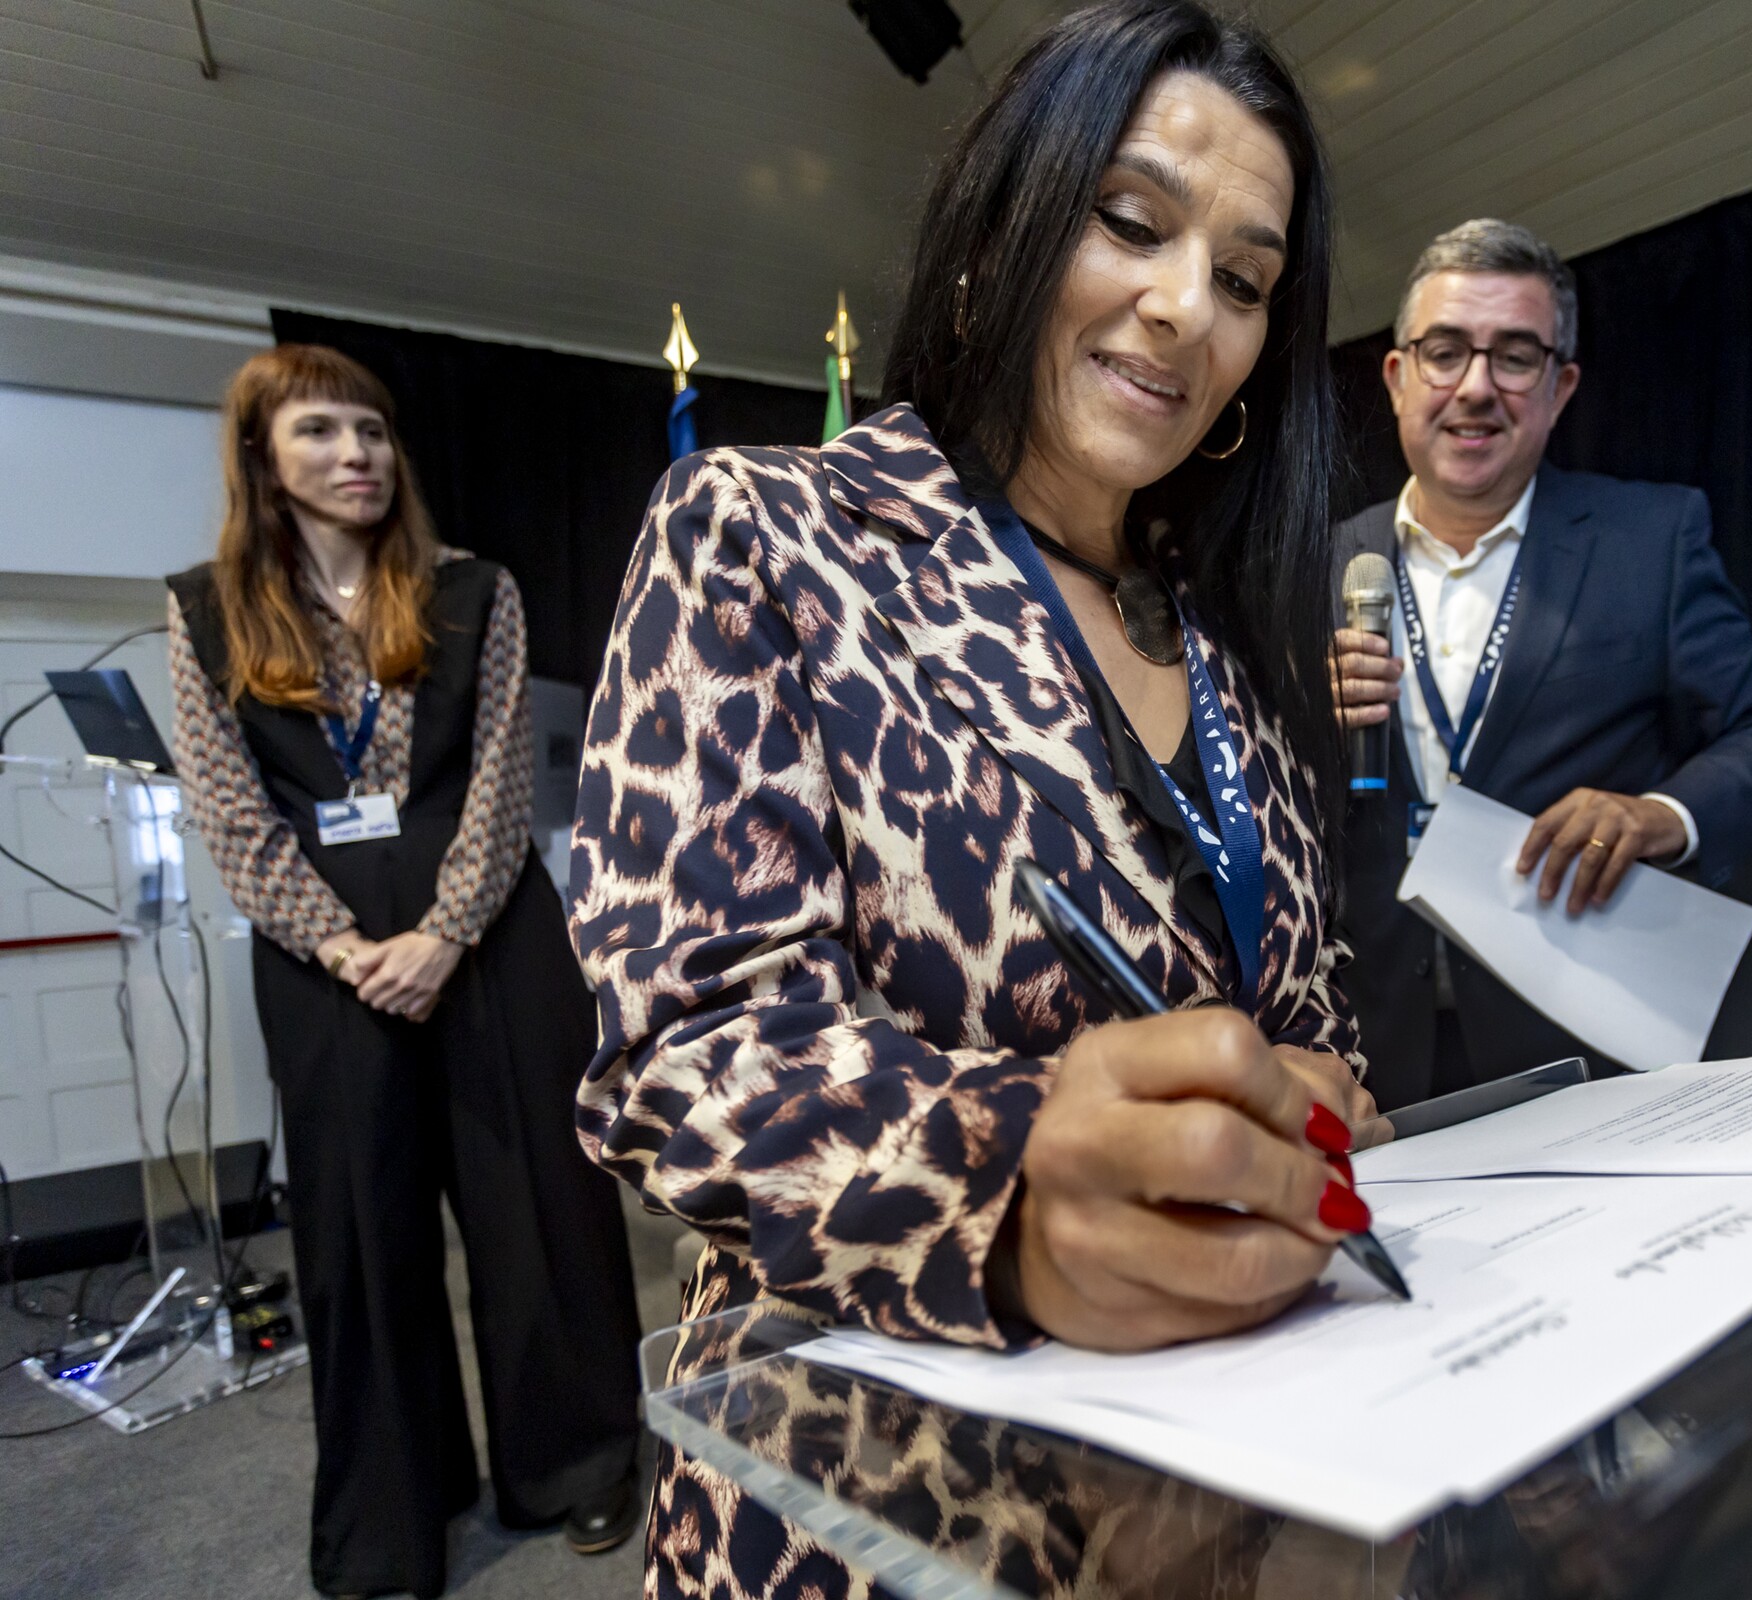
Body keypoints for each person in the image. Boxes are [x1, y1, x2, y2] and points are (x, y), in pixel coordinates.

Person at [568, 3, 1373, 1593]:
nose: (1184, 307)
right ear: (997, 235)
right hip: (872, 1498)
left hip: (1218, 1481)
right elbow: (687, 1057)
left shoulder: (1223, 646)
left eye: (1244, 281)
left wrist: (1319, 1090)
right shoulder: (766, 533)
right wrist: (1007, 1194)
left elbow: (1315, 1005)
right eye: (1130, 222)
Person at [167, 345, 643, 1598]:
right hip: (322, 953)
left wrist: (443, 932)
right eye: (320, 431)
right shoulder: (207, 610)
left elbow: (500, 776)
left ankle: (579, 1462)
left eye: (372, 430)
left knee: (539, 1208)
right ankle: (395, 1510)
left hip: (488, 934)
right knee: (358, 1237)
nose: (356, 454)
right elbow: (229, 808)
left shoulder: (474, 589)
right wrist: (339, 944)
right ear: (262, 457)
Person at [1334, 220, 1752, 1106]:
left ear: (1560, 387)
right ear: (1399, 376)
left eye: (1515, 357)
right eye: (1445, 352)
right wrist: (1301, 716)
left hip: (1584, 1044)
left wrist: (1656, 815)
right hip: (1373, 1050)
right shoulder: (1315, 564)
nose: (1476, 387)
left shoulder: (1651, 540)